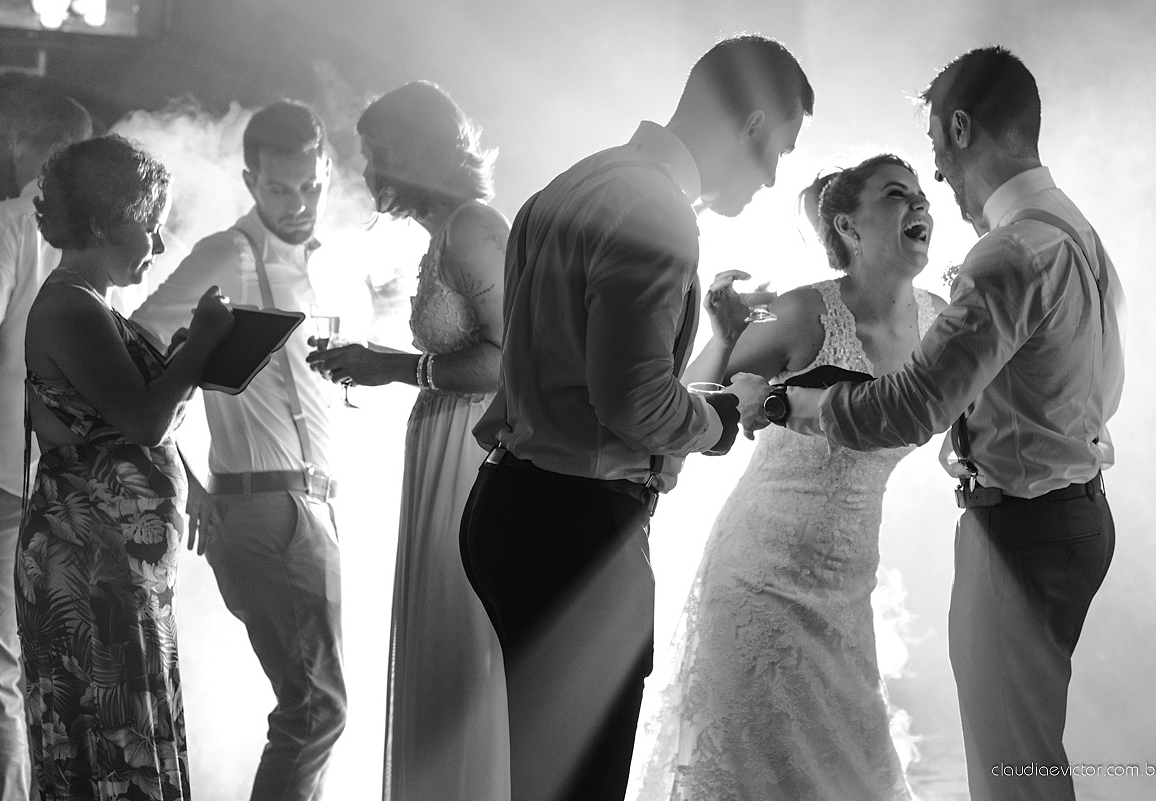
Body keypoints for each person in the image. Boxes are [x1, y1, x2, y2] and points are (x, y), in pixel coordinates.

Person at [737, 47, 1125, 801]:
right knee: (1029, 752)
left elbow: (913, 406)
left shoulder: (1006, 255)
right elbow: (1104, 380)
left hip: (1022, 532)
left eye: (934, 159)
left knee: (1012, 767)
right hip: (1079, 512)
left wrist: (791, 402)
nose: (937, 183)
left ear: (960, 127)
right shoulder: (1074, 228)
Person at [459, 34, 814, 801]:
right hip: (573, 533)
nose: (775, 175)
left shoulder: (569, 184)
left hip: (512, 507)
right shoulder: (656, 212)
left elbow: (577, 378)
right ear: (753, 126)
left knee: (545, 781)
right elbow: (632, 401)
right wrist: (727, 414)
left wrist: (712, 344)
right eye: (782, 149)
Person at [637, 155, 946, 801]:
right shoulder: (804, 309)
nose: (921, 204)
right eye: (898, 194)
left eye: (922, 194)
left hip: (845, 586)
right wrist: (726, 335)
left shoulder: (942, 320)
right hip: (757, 573)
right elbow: (691, 397)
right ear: (849, 227)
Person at [130, 101, 348, 801]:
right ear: (252, 181)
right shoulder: (229, 252)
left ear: (327, 171)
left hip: (307, 506)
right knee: (315, 712)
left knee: (314, 711)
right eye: (280, 189)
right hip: (265, 511)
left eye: (311, 185)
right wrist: (180, 469)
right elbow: (129, 349)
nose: (299, 204)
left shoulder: (320, 259)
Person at [306, 81, 511, 801]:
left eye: (377, 155)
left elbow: (512, 355)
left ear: (418, 151)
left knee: (462, 649)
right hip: (440, 446)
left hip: (473, 454)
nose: (368, 174)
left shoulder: (474, 226)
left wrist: (392, 365)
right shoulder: (442, 234)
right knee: (436, 646)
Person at [16, 135, 234, 800]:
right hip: (90, 573)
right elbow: (143, 422)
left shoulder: (91, 302)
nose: (159, 245)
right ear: (108, 220)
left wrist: (187, 360)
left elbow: (136, 416)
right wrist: (200, 348)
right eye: (151, 224)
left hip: (115, 571)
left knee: (123, 740)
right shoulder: (70, 306)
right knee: (107, 743)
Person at [0, 87, 91, 801]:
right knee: (53, 669)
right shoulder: (94, 243)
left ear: (24, 143)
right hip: (73, 485)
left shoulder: (5, 224)